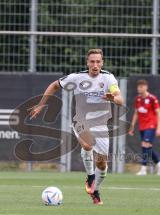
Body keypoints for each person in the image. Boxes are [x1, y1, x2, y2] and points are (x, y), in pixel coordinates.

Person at [29, 49, 123, 205]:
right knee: (87, 144)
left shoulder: (108, 78)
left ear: (102, 63)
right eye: (92, 61)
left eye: (98, 61)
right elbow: (54, 85)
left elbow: (120, 98)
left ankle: (95, 190)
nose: (95, 65)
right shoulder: (77, 77)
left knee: (102, 163)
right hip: (81, 121)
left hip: (101, 125)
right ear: (87, 63)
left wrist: (113, 98)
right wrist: (41, 105)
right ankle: (90, 175)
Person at [129, 79, 160, 175]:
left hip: (151, 125)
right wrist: (132, 126)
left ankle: (143, 168)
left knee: (145, 144)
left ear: (146, 87)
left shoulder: (152, 98)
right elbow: (136, 113)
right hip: (142, 126)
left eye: (142, 86)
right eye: (138, 87)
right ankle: (158, 163)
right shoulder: (138, 99)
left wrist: (159, 128)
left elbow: (158, 113)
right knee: (147, 147)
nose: (139, 88)